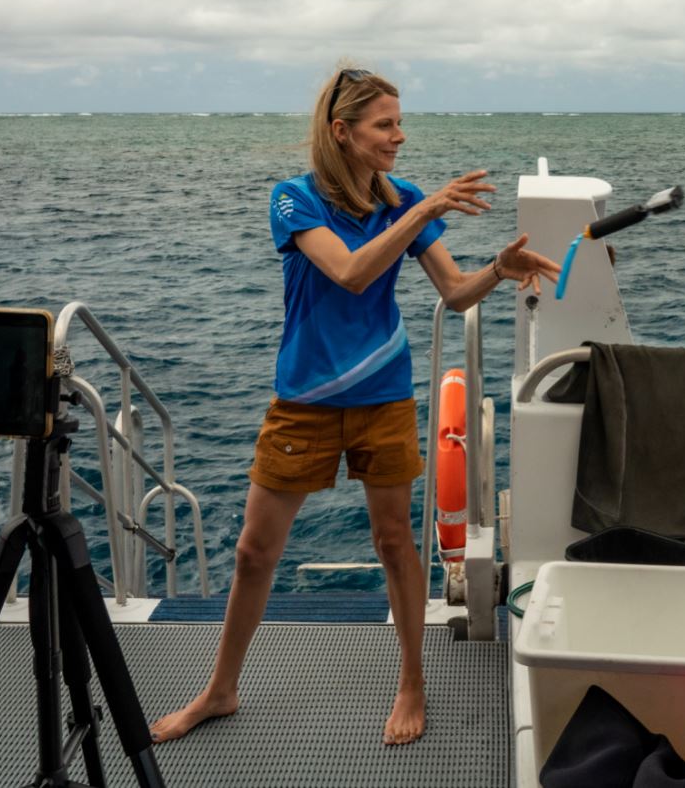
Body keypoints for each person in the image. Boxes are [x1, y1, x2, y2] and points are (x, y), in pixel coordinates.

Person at [150, 67, 559, 746]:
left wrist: (497, 271)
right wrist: (424, 210)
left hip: (383, 397)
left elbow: (455, 293)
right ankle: (220, 690)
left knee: (395, 543)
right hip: (303, 403)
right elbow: (348, 271)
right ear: (342, 132)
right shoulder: (295, 199)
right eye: (385, 125)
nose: (400, 136)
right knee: (255, 552)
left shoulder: (402, 199)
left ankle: (411, 680)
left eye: (399, 122)